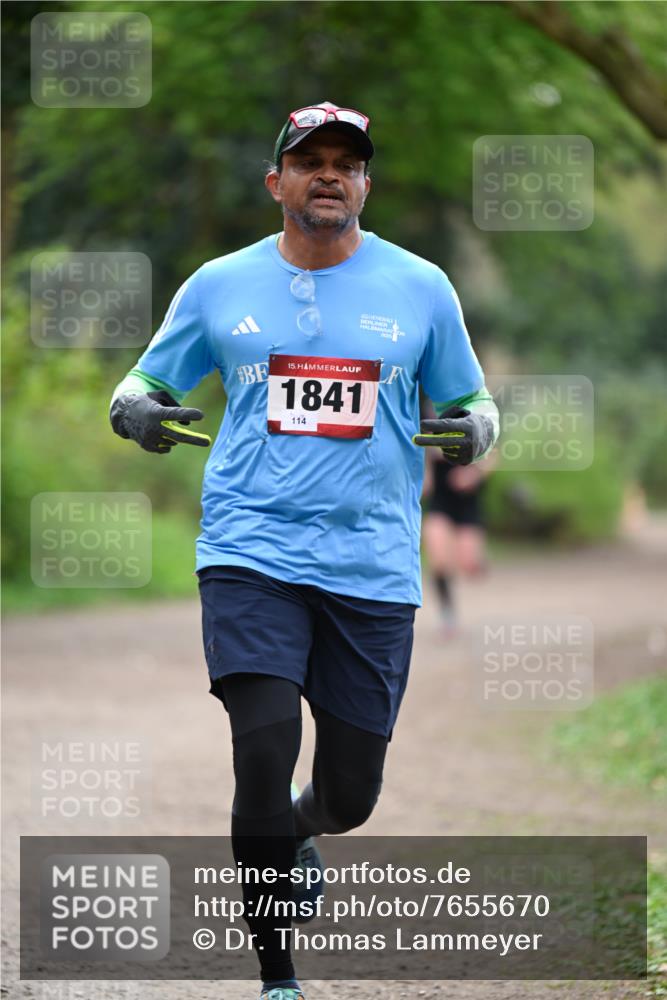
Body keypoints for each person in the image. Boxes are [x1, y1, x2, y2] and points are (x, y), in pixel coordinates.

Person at [109, 101, 499, 1000]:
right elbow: (146, 378)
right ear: (275, 181)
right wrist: (132, 408)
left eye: (346, 162)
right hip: (250, 548)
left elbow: (471, 399)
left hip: (371, 563)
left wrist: (476, 427)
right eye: (308, 159)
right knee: (261, 746)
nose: (328, 173)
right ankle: (275, 974)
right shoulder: (217, 284)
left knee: (350, 794)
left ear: (365, 184)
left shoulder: (421, 287)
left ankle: (302, 828)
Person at [421, 397, 496, 635]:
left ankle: (478, 558)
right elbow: (421, 452)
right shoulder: (424, 412)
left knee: (468, 565)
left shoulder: (471, 407)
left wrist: (474, 474)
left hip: (467, 502)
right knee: (439, 558)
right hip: (440, 501)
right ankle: (447, 613)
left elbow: (492, 454)